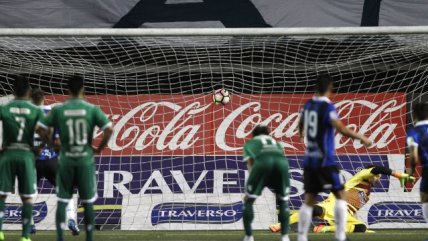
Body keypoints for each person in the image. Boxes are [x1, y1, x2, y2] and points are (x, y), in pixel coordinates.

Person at [297, 74, 372, 241]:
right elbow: (341, 129)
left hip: (309, 160)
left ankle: (301, 237)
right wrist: (362, 138)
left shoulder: (308, 105)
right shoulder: (327, 107)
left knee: (309, 199)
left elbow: (301, 121)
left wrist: (301, 134)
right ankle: (340, 236)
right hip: (324, 160)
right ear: (330, 88)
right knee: (340, 195)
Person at [39, 75, 113, 241]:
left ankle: (60, 236)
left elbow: (41, 129)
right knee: (86, 201)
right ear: (83, 89)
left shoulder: (58, 110)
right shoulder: (91, 109)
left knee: (63, 197)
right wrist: (99, 148)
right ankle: (85, 233)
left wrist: (52, 145)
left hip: (65, 159)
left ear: (67, 90)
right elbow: (109, 129)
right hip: (85, 160)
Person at [269, 165, 415, 233]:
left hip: (346, 215)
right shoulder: (359, 177)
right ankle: (281, 225)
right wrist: (398, 174)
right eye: (376, 176)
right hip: (333, 206)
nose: (378, 178)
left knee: (362, 227)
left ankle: (324, 228)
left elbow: (354, 207)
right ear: (369, 173)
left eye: (379, 178)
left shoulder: (368, 194)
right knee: (313, 209)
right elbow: (377, 168)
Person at [0, 76, 47, 241]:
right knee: (27, 197)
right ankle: (25, 236)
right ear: (28, 91)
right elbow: (45, 133)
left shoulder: (5, 108)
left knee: (1, 195)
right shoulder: (35, 110)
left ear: (13, 91)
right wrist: (39, 148)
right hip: (26, 155)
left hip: (8, 155)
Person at [30, 88, 80, 235]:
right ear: (43, 98)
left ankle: (30, 224)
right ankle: (71, 219)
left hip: (33, 161)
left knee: (28, 192)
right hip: (52, 160)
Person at [242, 125, 290, 241]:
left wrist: (252, 184)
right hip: (282, 164)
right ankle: (285, 237)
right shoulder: (276, 142)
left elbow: (250, 164)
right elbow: (282, 155)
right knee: (283, 201)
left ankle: (249, 236)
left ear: (254, 135)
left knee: (248, 200)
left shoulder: (250, 143)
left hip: (262, 163)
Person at [407, 102, 428, 240]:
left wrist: (411, 171)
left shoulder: (413, 132)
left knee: (425, 199)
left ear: (414, 115)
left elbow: (414, 156)